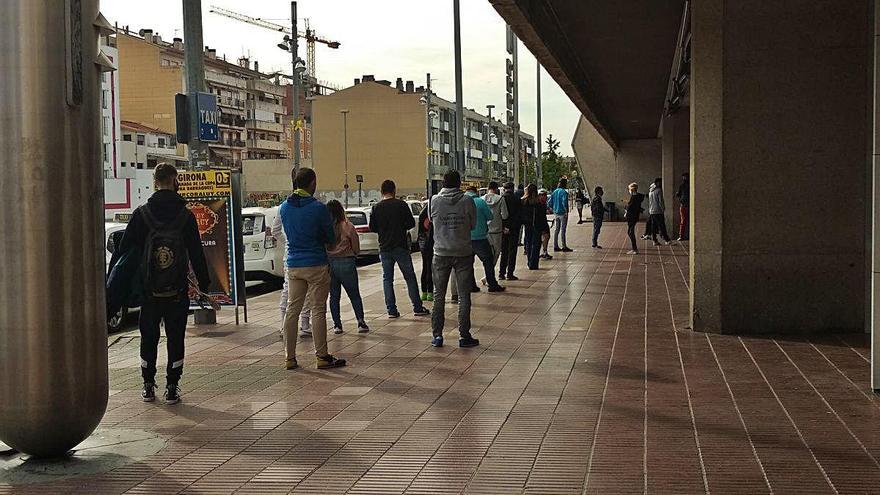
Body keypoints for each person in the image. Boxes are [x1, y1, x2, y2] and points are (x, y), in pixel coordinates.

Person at [115, 163, 210, 404]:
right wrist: (204, 285)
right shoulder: (185, 215)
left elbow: (124, 250)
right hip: (177, 290)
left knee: (149, 337)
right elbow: (196, 253)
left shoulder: (141, 214)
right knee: (175, 337)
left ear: (155, 181)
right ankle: (172, 386)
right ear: (174, 180)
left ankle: (148, 384)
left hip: (149, 291)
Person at [280, 167, 346, 370]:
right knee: (317, 310)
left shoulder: (284, 208)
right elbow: (330, 239)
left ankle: (289, 358)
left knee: (292, 309)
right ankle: (322, 356)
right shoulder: (319, 208)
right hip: (316, 264)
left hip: (293, 265)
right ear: (312, 183)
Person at [430, 170, 479, 348]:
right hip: (463, 251)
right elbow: (473, 225)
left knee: (438, 295)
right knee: (464, 295)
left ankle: (437, 336)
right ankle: (464, 335)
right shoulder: (467, 200)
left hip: (440, 252)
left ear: (443, 182)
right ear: (459, 183)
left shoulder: (434, 200)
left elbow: (431, 220)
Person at [369, 179, 431, 318]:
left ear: (381, 192)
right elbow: (410, 223)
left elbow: (372, 227)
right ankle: (417, 307)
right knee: (409, 277)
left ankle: (391, 310)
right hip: (401, 246)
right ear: (394, 190)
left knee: (387, 279)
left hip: (384, 247)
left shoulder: (376, 207)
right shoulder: (401, 205)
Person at [325, 199, 369, 335]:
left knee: (334, 296)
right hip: (346, 262)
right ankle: (361, 322)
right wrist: (354, 253)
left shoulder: (325, 228)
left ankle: (337, 325)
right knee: (354, 294)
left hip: (330, 263)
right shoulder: (348, 226)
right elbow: (356, 247)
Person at [271, 206, 311, 339]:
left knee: (287, 290)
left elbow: (275, 231)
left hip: (290, 256)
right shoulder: (311, 206)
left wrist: (288, 243)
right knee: (308, 290)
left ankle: (283, 325)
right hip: (308, 255)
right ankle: (305, 324)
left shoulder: (283, 207)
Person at [465, 185, 505, 292]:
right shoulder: (480, 202)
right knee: (488, 260)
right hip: (481, 238)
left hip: (466, 238)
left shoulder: (461, 203)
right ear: (475, 192)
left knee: (469, 263)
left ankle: (471, 285)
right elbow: (490, 217)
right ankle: (492, 284)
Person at [481, 181, 508, 285]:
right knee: (496, 254)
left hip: (485, 230)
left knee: (487, 256)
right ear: (496, 189)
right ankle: (488, 277)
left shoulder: (482, 199)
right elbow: (505, 215)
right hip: (497, 230)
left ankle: (487, 276)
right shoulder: (501, 199)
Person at [499, 182, 521, 281]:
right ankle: (510, 273)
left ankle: (501, 273)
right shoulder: (517, 199)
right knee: (512, 250)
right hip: (514, 228)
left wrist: (504, 226)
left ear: (504, 188)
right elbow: (520, 214)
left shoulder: (501, 198)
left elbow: (500, 214)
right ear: (512, 188)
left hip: (504, 228)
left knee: (504, 250)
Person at [521, 184, 543, 269]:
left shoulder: (523, 201)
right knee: (536, 244)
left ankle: (529, 262)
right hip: (537, 225)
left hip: (527, 225)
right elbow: (542, 216)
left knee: (528, 243)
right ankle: (534, 263)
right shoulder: (538, 202)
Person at [549, 178, 572, 252]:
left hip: (556, 213)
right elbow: (564, 202)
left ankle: (555, 245)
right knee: (563, 230)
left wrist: (554, 209)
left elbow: (549, 203)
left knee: (557, 229)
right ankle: (564, 246)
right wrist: (566, 211)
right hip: (562, 213)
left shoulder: (555, 191)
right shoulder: (564, 192)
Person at [648, 177, 671, 246]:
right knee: (662, 225)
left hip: (652, 210)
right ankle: (667, 240)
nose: (661, 183)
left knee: (654, 226)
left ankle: (654, 240)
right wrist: (663, 209)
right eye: (661, 182)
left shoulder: (651, 191)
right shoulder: (659, 190)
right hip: (658, 210)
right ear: (658, 182)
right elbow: (661, 201)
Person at [418, 201, 434, 302]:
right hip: (431, 244)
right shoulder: (431, 216)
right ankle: (431, 292)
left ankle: (424, 293)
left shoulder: (421, 215)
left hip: (423, 244)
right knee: (431, 269)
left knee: (425, 267)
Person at [625, 182, 646, 255]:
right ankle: (634, 248)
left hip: (631, 216)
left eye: (629, 189)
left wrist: (626, 210)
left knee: (630, 232)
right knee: (630, 231)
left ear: (632, 189)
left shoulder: (634, 197)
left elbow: (631, 207)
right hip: (635, 216)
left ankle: (634, 249)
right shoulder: (638, 197)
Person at [538, 188, 553, 260]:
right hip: (541, 223)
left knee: (546, 237)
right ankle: (544, 251)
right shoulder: (539, 204)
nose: (546, 197)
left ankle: (544, 251)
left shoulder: (544, 203)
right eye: (544, 195)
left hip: (544, 222)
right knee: (545, 236)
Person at [675, 172, 689, 241]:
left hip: (684, 204)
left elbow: (679, 194)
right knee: (684, 221)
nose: (684, 178)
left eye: (685, 177)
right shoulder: (683, 185)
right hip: (685, 204)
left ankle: (681, 235)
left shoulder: (683, 185)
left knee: (683, 221)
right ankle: (682, 235)